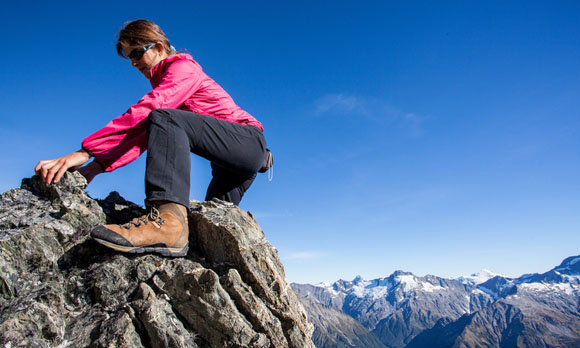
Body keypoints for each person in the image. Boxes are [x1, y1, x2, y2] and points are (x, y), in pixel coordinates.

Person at [34, 19, 269, 257]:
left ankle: (166, 223)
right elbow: (145, 135)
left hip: (247, 142)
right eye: (130, 58)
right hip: (233, 164)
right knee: (206, 233)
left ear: (158, 46)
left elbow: (153, 109)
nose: (134, 62)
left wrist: (85, 151)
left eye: (137, 52)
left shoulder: (183, 68)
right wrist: (96, 166)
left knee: (164, 117)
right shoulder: (170, 80)